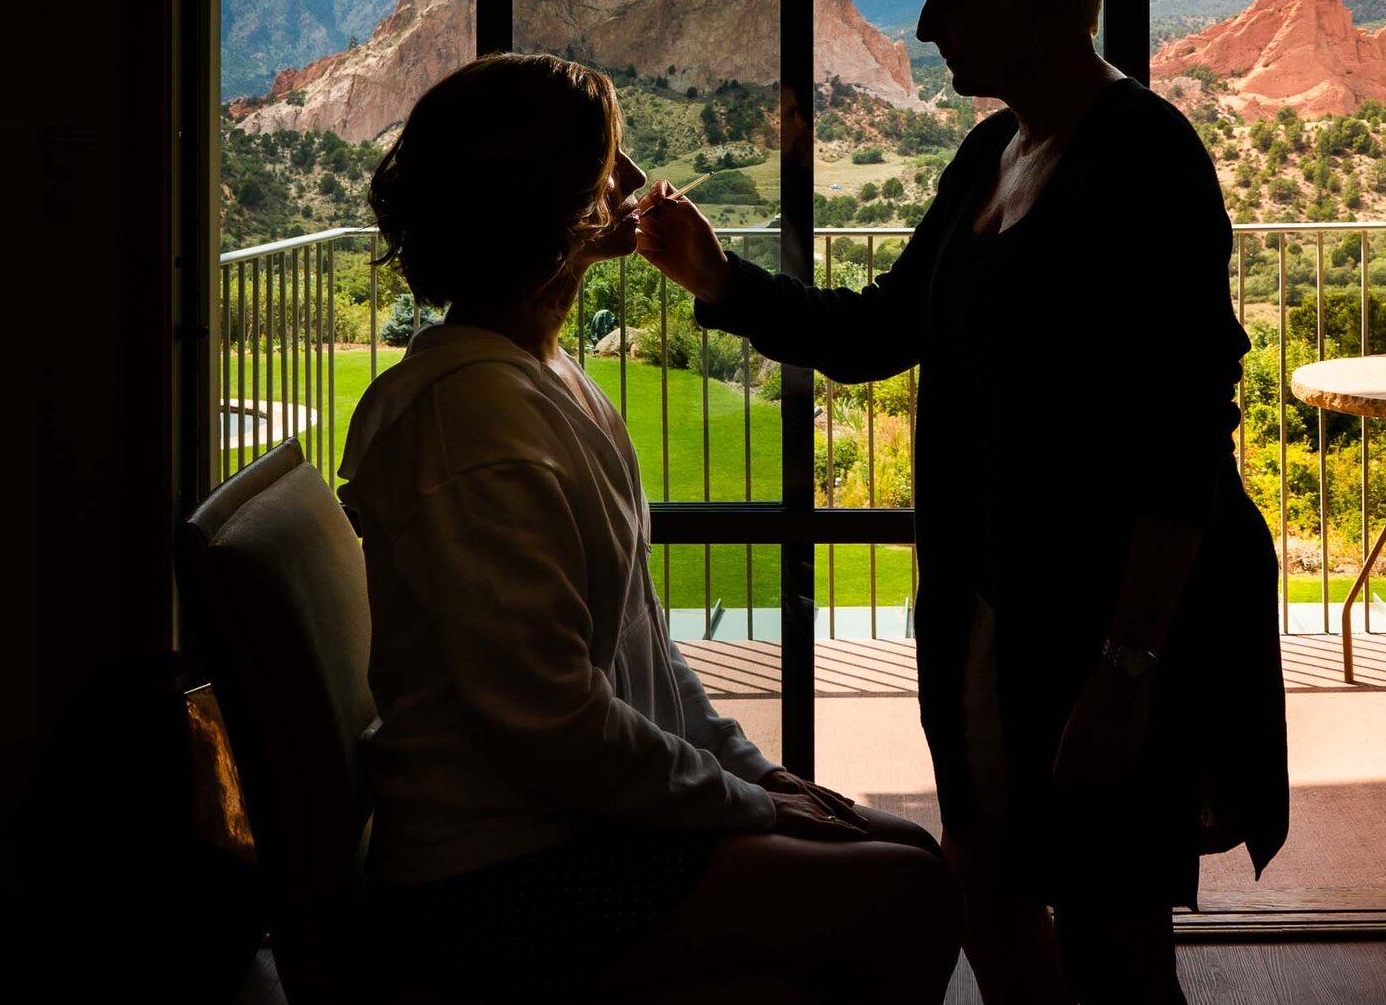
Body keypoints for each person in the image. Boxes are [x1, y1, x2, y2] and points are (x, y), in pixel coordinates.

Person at [637, 0, 1288, 1005]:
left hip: (1105, 624)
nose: (925, 23)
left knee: (1112, 939)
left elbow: (1186, 434)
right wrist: (719, 281)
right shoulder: (993, 150)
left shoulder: (1142, 157)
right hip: (992, 611)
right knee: (983, 888)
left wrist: (1127, 669)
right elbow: (886, 328)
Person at [341, 52, 959, 1003]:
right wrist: (746, 805)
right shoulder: (469, 419)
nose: (634, 187)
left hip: (577, 827)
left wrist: (757, 773)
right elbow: (555, 723)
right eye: (609, 167)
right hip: (503, 876)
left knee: (902, 848)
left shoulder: (546, 378)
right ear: (551, 208)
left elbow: (642, 646)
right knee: (909, 890)